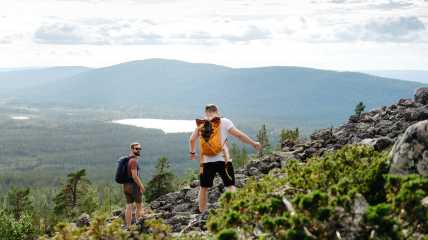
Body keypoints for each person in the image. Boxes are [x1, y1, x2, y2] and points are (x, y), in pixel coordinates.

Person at [189, 104, 261, 213]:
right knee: (230, 185)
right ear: (216, 111)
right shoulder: (224, 121)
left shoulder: (201, 124)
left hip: (206, 162)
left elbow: (192, 139)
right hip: (224, 160)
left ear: (206, 112)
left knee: (204, 188)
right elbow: (239, 135)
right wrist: (253, 143)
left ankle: (202, 213)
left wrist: (193, 152)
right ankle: (236, 210)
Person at [123, 142, 145, 228]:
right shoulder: (133, 161)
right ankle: (138, 226)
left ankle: (128, 226)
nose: (138, 150)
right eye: (136, 148)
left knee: (129, 206)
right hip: (134, 186)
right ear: (132, 149)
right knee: (139, 206)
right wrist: (141, 186)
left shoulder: (127, 160)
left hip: (126, 186)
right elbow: (135, 176)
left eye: (139, 149)